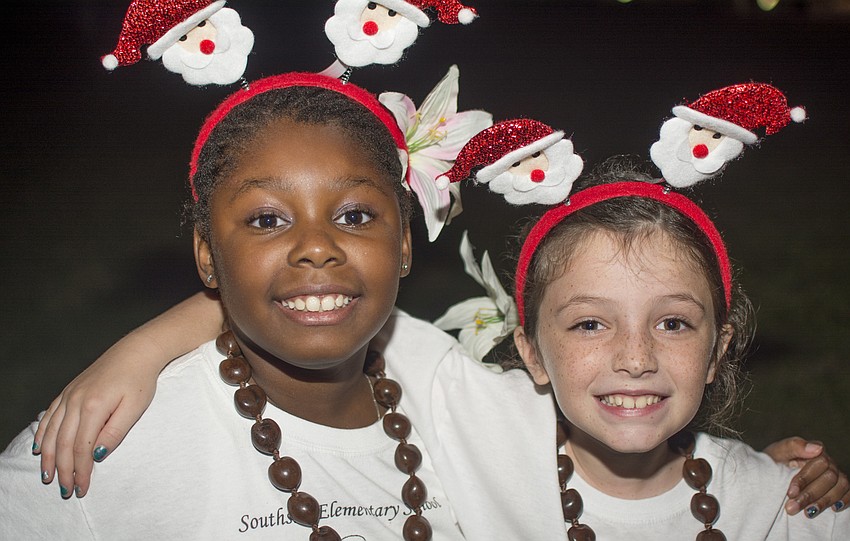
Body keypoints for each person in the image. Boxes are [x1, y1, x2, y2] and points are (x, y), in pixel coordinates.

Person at [3, 78, 846, 537]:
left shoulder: (450, 387)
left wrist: (759, 489)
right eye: (265, 218)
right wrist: (144, 348)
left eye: (358, 215)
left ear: (407, 241)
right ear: (206, 255)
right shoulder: (107, 445)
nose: (315, 246)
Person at [509, 164, 850, 538]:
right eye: (590, 324)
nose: (637, 360)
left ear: (717, 352)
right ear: (533, 354)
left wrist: (760, 486)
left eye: (672, 324)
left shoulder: (781, 509)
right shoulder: (474, 487)